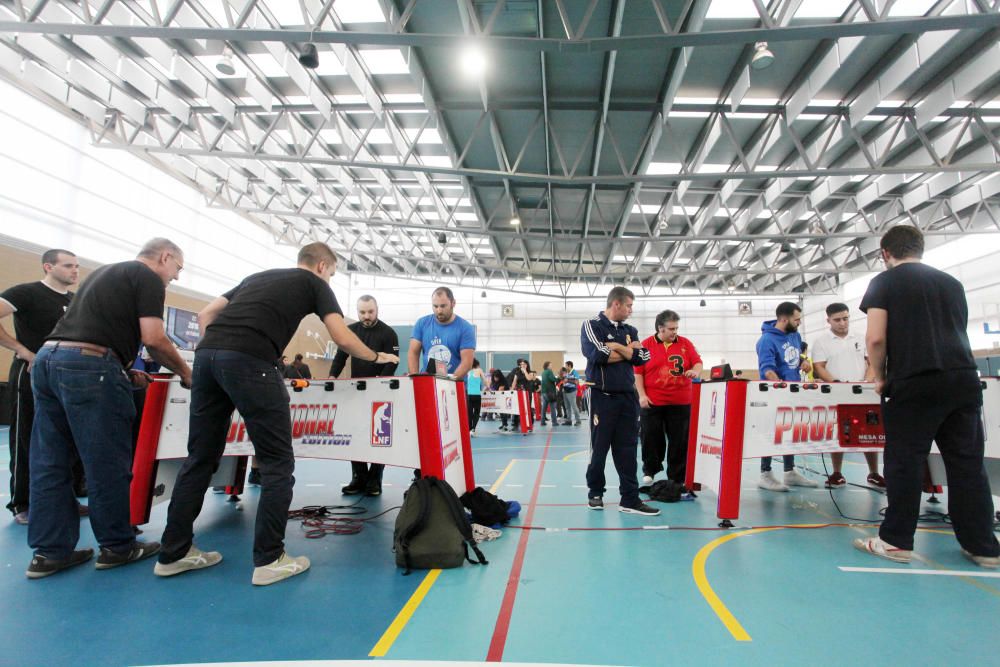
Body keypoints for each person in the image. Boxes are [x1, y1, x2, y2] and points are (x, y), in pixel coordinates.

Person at [155, 243, 398, 585]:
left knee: (200, 457)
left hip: (207, 358)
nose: (329, 277)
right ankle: (270, 558)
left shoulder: (258, 277)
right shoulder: (315, 283)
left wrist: (220, 348)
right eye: (331, 272)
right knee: (277, 462)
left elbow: (205, 315)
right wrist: (377, 358)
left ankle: (173, 552)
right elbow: (341, 336)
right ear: (323, 265)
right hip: (252, 361)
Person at [26, 239, 192, 579]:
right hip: (89, 366)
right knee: (107, 461)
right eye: (177, 269)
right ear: (165, 257)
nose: (174, 278)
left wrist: (119, 369)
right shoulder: (147, 278)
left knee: (50, 461)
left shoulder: (104, 274)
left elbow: (95, 330)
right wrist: (187, 373)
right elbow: (155, 338)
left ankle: (49, 553)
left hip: (48, 361)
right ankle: (118, 546)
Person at [854, 226, 999, 567]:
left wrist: (880, 375)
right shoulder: (952, 284)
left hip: (914, 382)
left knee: (905, 461)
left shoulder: (884, 282)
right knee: (967, 465)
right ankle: (983, 546)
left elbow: (875, 338)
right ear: (921, 248)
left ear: (885, 253)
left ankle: (895, 541)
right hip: (963, 381)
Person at [0, 249, 88, 525]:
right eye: (68, 266)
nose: (75, 271)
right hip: (31, 374)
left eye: (77, 266)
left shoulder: (75, 301)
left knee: (67, 439)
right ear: (48, 267)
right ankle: (22, 503)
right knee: (26, 437)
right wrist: (24, 352)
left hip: (65, 376)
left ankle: (64, 498)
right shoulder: (26, 293)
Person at [581, 286, 658, 516]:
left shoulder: (630, 330)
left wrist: (616, 347)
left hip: (627, 398)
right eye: (629, 306)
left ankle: (630, 499)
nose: (630, 311)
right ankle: (595, 492)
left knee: (627, 450)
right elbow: (597, 355)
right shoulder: (592, 325)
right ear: (616, 304)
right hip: (601, 397)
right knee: (599, 449)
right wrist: (627, 351)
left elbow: (642, 357)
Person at [329, 295, 399, 496]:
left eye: (370, 311)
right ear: (357, 311)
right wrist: (332, 376)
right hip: (355, 394)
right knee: (354, 436)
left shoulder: (389, 333)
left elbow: (392, 362)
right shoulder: (350, 332)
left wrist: (379, 382)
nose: (366, 316)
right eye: (362, 312)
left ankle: (375, 479)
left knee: (380, 438)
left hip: (381, 394)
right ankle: (358, 478)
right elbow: (340, 357)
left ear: (377, 309)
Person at [810, 302, 884, 489]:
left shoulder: (861, 337)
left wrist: (866, 382)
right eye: (837, 320)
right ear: (828, 321)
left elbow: (872, 361)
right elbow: (819, 366)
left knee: (869, 433)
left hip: (862, 394)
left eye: (845, 318)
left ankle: (874, 473)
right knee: (839, 433)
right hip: (837, 394)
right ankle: (836, 473)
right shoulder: (821, 341)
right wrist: (835, 384)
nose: (842, 323)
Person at [755, 301, 819, 492]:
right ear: (784, 319)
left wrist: (804, 362)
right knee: (771, 434)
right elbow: (767, 370)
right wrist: (780, 387)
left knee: (790, 431)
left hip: (794, 393)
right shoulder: (766, 340)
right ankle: (765, 474)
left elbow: (796, 356)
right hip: (774, 395)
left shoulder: (795, 335)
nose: (799, 322)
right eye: (796, 319)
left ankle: (789, 472)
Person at [635, 309, 703, 486]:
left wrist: (695, 371)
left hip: (680, 401)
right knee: (650, 437)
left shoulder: (685, 343)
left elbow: (697, 361)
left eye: (676, 328)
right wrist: (642, 395)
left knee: (679, 440)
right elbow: (638, 373)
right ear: (660, 328)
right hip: (653, 401)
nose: (675, 332)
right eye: (671, 329)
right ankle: (650, 470)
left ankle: (677, 476)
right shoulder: (646, 345)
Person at [407, 286, 475, 379]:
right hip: (428, 384)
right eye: (435, 306)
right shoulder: (421, 324)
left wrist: (448, 382)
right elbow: (413, 353)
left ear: (453, 303)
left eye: (443, 306)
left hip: (454, 386)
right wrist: (415, 379)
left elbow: (467, 363)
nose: (439, 311)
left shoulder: (465, 328)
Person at [466, 359, 487, 436]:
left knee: (469, 413)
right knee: (477, 412)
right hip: (477, 395)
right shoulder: (479, 370)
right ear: (477, 364)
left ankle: (469, 429)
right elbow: (485, 380)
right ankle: (473, 429)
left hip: (469, 395)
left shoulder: (468, 371)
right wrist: (489, 388)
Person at [539, 361, 559, 426]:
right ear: (547, 366)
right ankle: (554, 422)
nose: (551, 366)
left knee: (543, 408)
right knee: (553, 407)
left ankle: (542, 422)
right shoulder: (549, 371)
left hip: (543, 392)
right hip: (550, 392)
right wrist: (558, 379)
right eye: (550, 365)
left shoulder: (543, 372)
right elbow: (553, 379)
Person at [562, 361, 582, 425]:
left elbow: (577, 382)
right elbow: (564, 381)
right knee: (567, 407)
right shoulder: (566, 372)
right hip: (565, 391)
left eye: (566, 365)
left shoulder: (574, 372)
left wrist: (568, 380)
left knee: (574, 407)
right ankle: (569, 421)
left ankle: (578, 421)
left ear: (569, 366)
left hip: (572, 391)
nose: (565, 367)